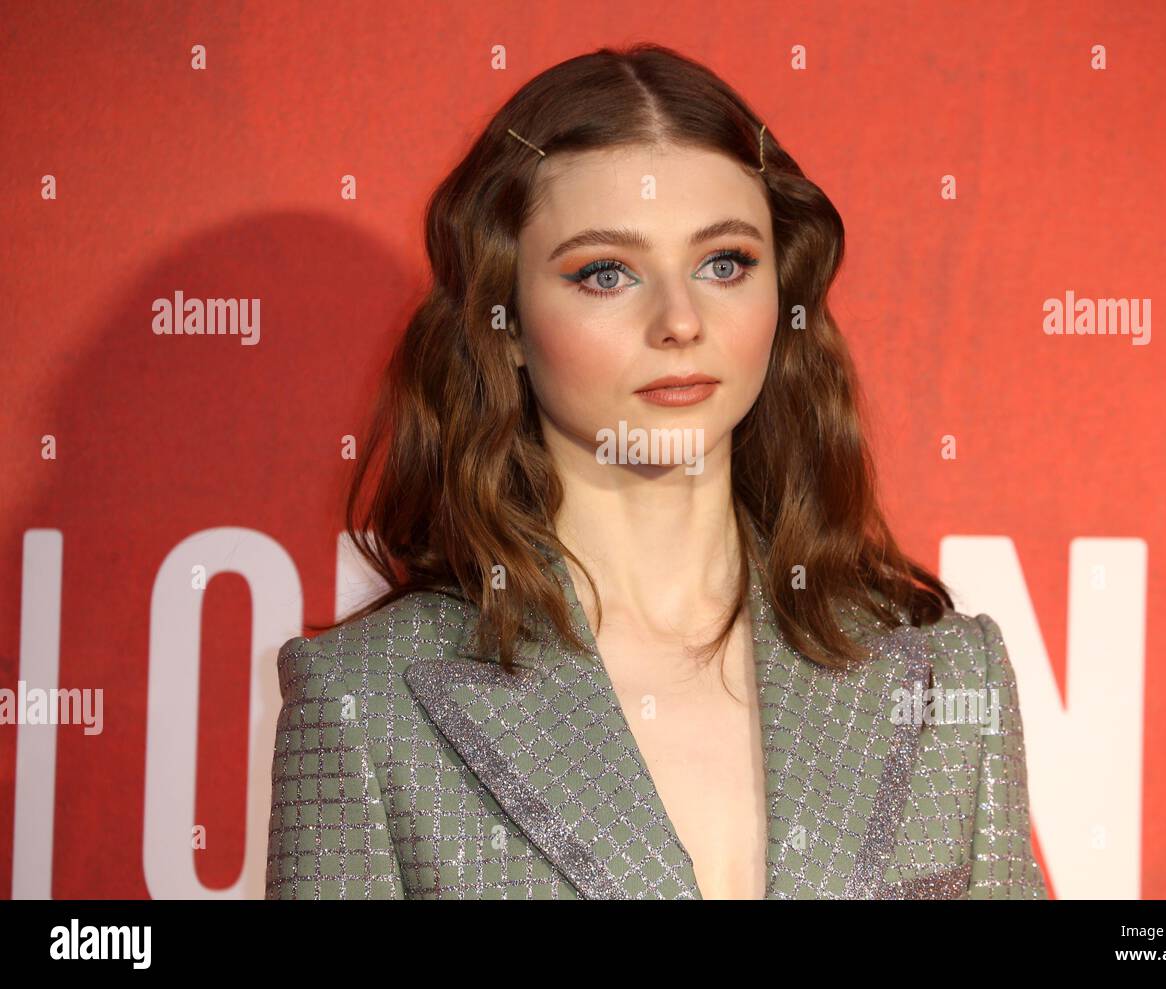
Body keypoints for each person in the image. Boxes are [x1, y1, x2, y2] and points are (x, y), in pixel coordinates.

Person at [264, 41, 1048, 900]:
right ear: (507, 323)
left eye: (725, 263)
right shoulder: (368, 704)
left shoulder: (946, 680)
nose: (680, 318)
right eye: (606, 271)